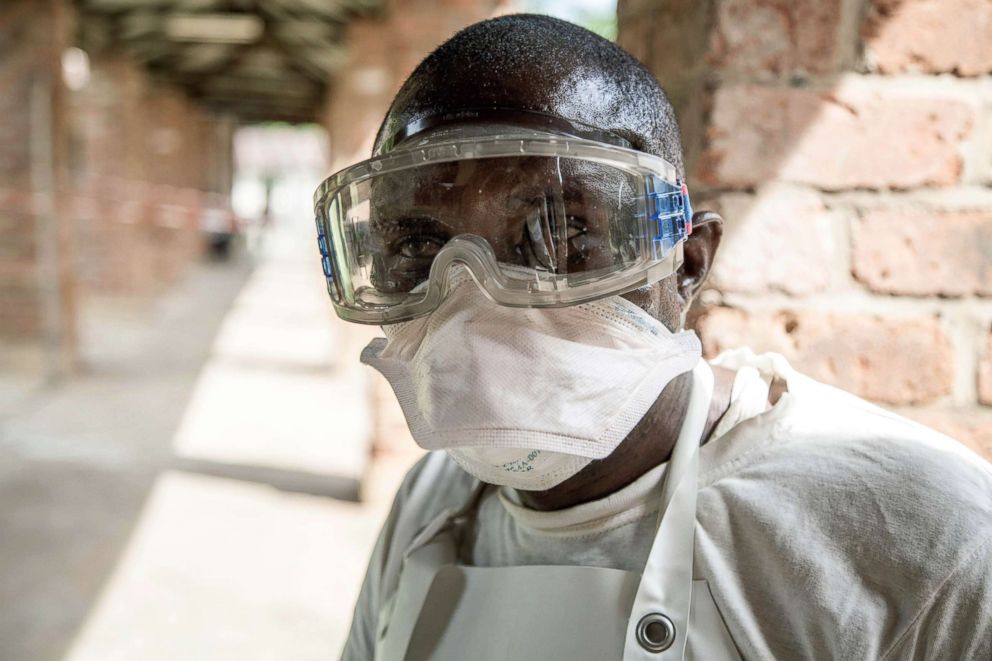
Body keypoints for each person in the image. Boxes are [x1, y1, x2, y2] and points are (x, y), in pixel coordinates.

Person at [313, 14, 992, 660]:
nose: (473, 298)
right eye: (418, 242)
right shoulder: (432, 501)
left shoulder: (926, 540)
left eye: (560, 232)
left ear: (688, 264)